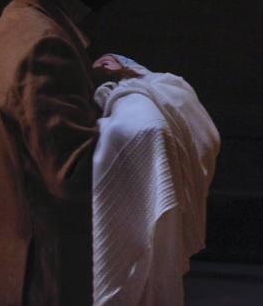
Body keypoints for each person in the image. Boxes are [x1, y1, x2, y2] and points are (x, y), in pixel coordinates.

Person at [0, 0, 128, 305]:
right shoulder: (44, 47)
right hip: (57, 276)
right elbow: (73, 173)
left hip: (25, 265)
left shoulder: (13, 29)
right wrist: (145, 114)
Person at [89, 53, 220, 306]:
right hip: (141, 163)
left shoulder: (162, 85)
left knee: (157, 250)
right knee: (145, 250)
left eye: (107, 60)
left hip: (158, 159)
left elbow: (203, 135)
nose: (103, 65)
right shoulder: (113, 97)